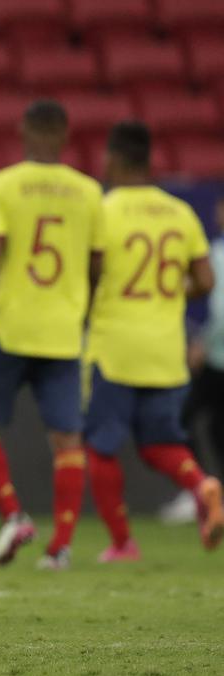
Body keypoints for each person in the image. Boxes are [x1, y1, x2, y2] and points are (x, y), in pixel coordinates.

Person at [0, 100, 104, 568]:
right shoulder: (89, 192)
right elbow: (97, 264)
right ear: (65, 135)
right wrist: (81, 314)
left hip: (12, 327)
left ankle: (13, 514)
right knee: (67, 441)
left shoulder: (2, 184)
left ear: (22, 129)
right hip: (63, 331)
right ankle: (59, 547)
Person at [81, 121, 224, 562]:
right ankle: (203, 485)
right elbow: (205, 280)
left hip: (115, 346)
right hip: (165, 349)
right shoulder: (178, 213)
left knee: (101, 447)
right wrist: (166, 294)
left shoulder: (104, 210)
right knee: (160, 443)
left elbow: (91, 273)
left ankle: (123, 543)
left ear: (116, 159)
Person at [165, 196, 224, 524]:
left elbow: (221, 310)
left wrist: (204, 341)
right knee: (216, 427)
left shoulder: (217, 253)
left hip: (217, 359)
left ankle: (198, 491)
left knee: (183, 421)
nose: (217, 211)